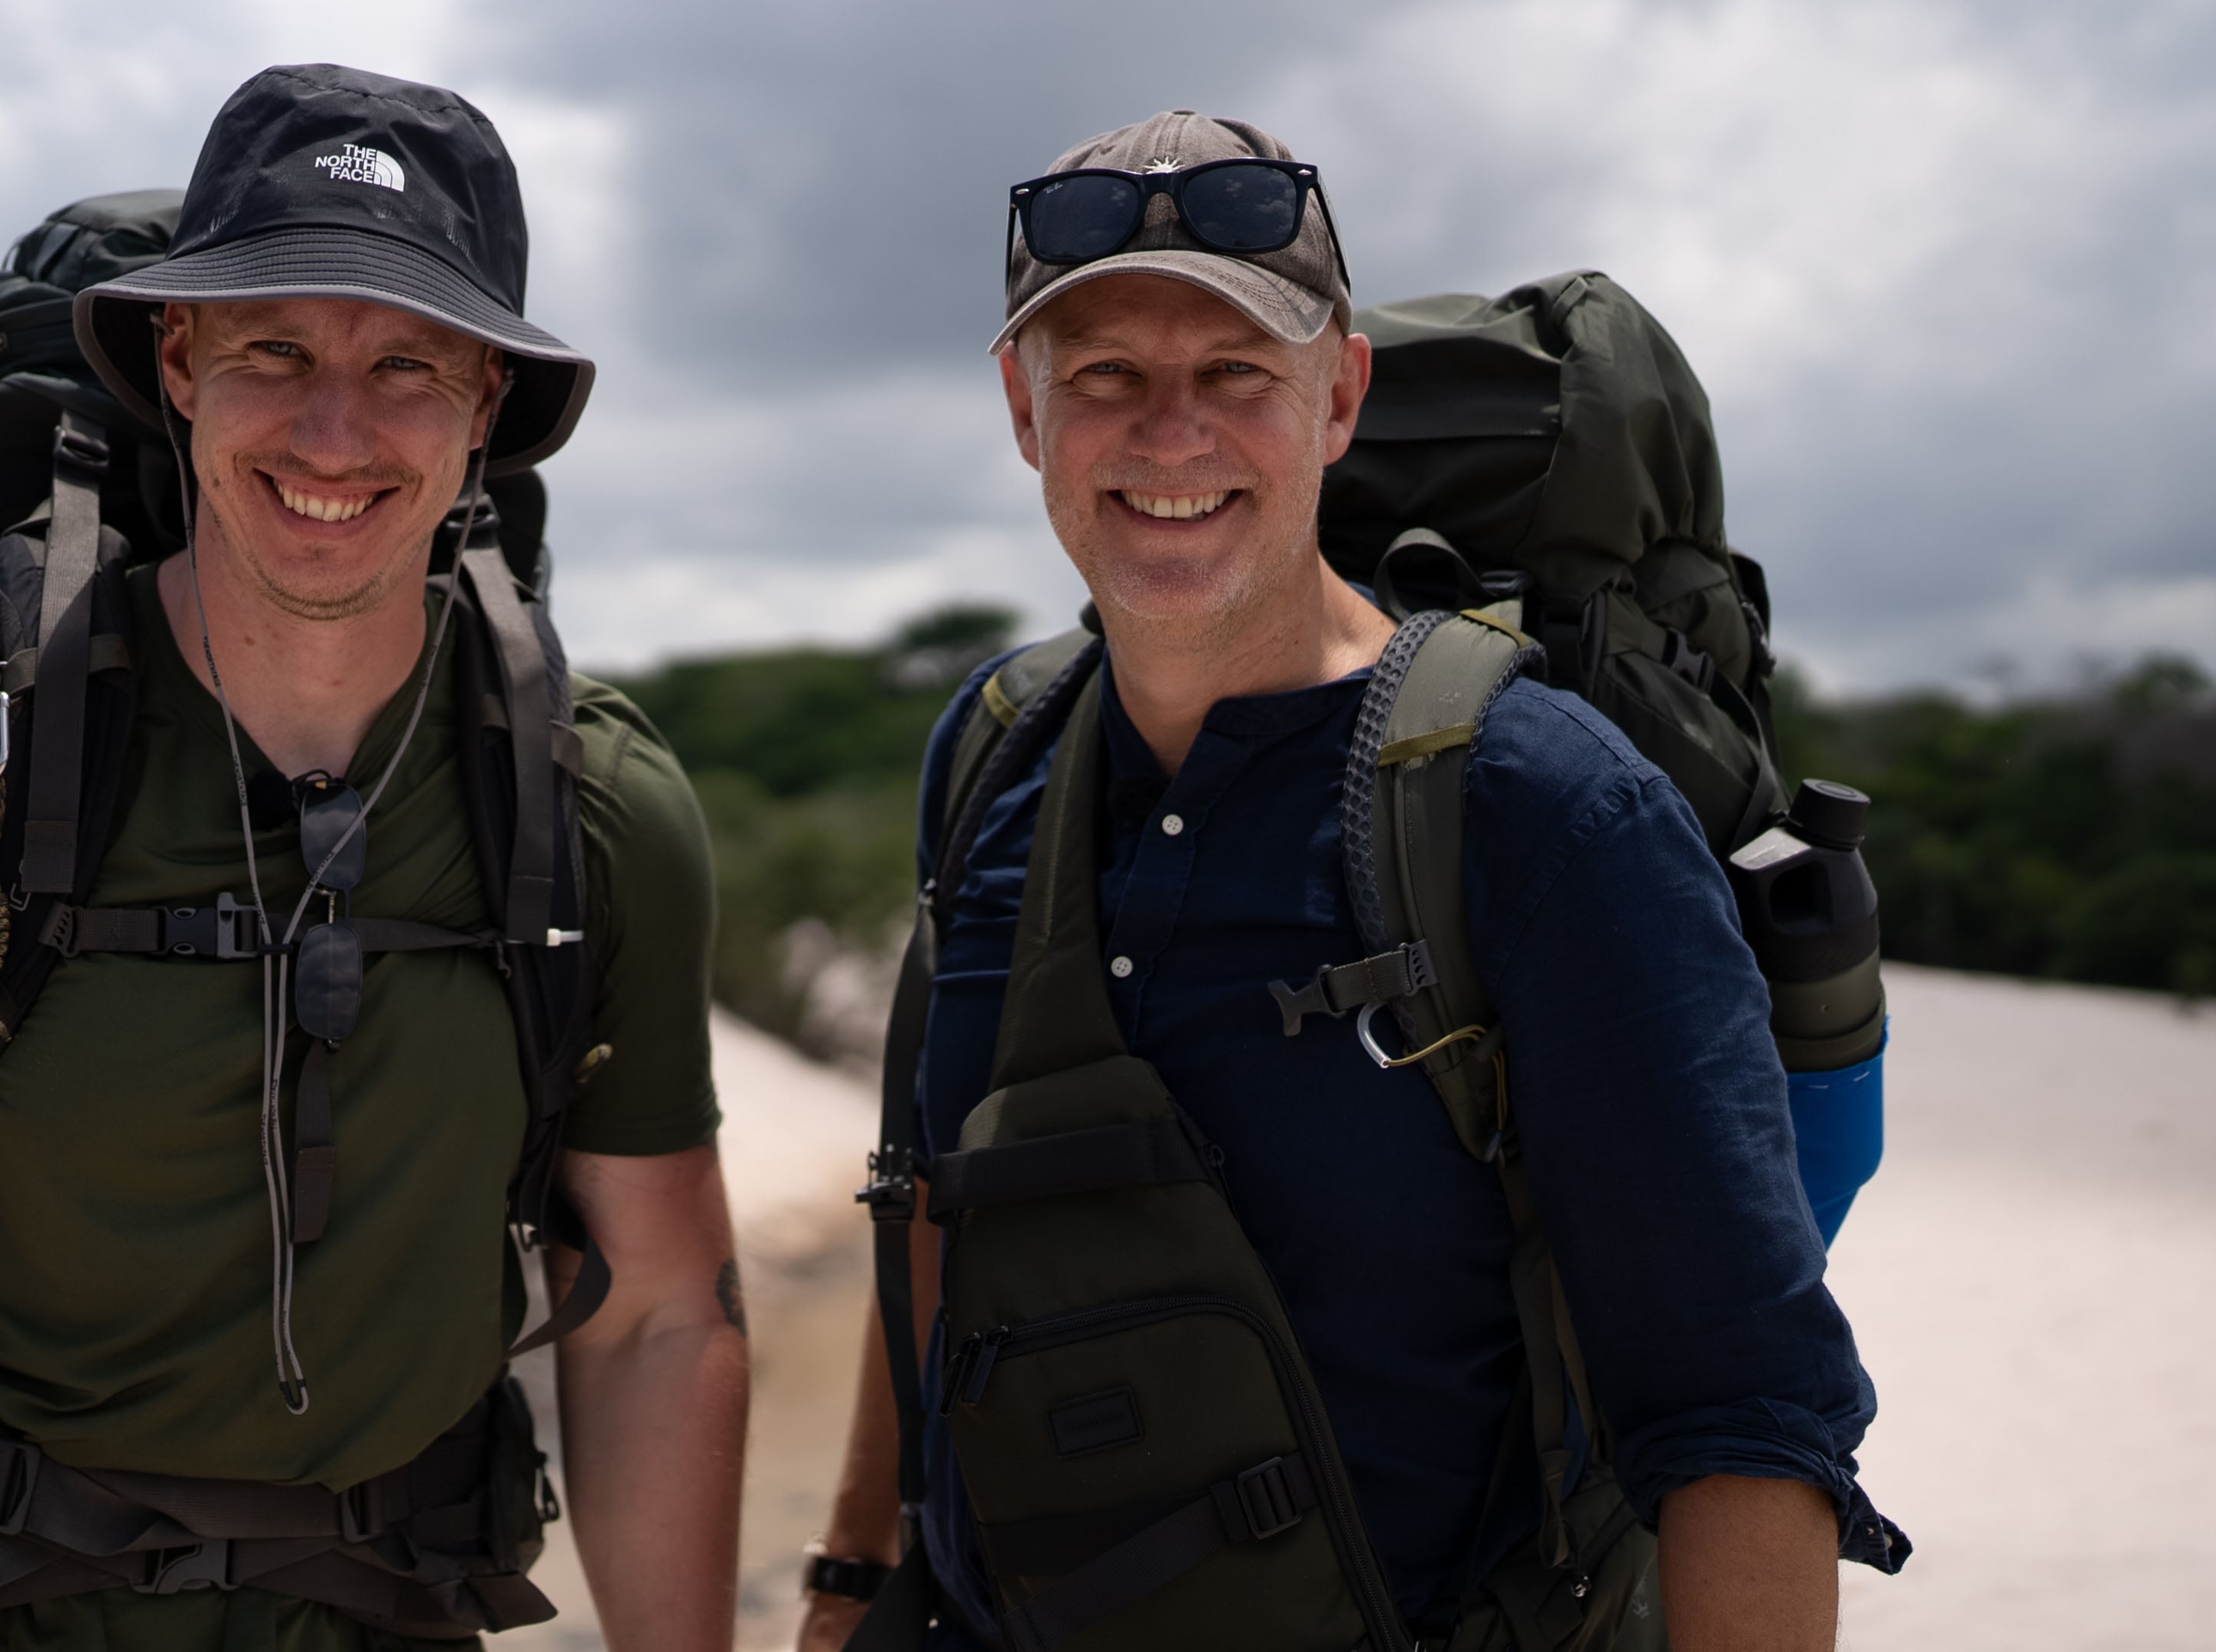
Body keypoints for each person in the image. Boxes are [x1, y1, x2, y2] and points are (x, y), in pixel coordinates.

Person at [0, 65, 746, 1652]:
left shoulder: (594, 807)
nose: (334, 430)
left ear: (488, 400)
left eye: (407, 362)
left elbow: (664, 1325)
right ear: (180, 361)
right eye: (274, 348)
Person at [798, 110, 1901, 1651]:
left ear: (1339, 398)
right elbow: (930, 1216)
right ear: (1023, 407)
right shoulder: (992, 755)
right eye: (1106, 372)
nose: (1168, 432)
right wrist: (852, 1581)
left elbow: (1742, 1420)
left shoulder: (1537, 807)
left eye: (1236, 373)